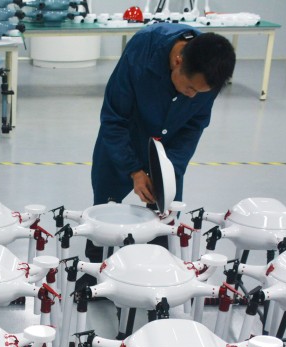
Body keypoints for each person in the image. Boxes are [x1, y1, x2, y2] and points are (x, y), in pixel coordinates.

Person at [91, 24, 236, 209]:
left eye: (201, 92)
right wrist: (134, 170)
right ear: (178, 61)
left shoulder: (210, 72)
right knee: (104, 217)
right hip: (125, 138)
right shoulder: (141, 51)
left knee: (165, 224)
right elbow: (114, 118)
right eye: (190, 88)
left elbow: (193, 127)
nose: (193, 97)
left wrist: (169, 169)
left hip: (168, 149)